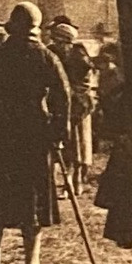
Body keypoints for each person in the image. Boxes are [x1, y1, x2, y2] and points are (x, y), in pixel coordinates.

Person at [0, 2, 70, 264]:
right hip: (33, 136)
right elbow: (63, 97)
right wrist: (59, 134)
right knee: (32, 200)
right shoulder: (45, 56)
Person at [48, 21, 97, 193]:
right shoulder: (53, 53)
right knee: (62, 146)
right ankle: (56, 182)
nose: (57, 44)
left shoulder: (80, 56)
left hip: (79, 106)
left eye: (60, 41)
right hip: (60, 106)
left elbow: (84, 82)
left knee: (78, 148)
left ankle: (76, 182)